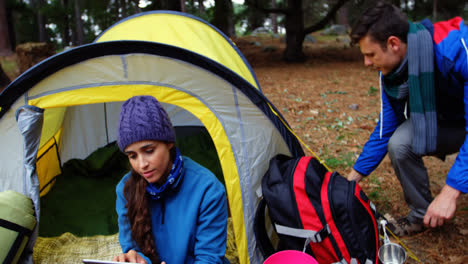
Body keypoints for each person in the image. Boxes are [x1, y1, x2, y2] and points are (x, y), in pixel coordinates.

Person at [347, 1, 467, 236]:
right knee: (400, 142)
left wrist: (451, 191)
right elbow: (387, 128)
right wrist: (351, 180)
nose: (367, 63)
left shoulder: (454, 49)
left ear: (393, 43)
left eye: (371, 54)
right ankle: (422, 216)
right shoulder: (394, 73)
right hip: (451, 123)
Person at [112, 95, 228, 264]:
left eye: (149, 150)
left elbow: (209, 258)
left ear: (168, 143)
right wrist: (135, 259)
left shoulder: (208, 189)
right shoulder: (126, 190)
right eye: (132, 156)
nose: (142, 164)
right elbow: (132, 248)